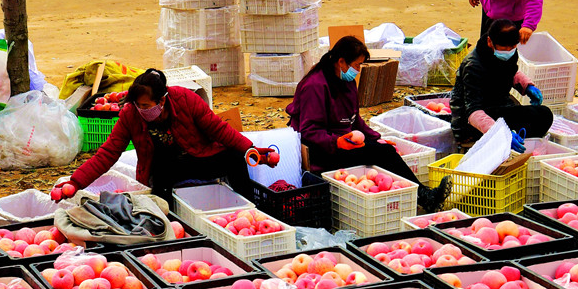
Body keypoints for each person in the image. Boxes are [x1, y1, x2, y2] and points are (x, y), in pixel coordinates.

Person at [287, 35, 448, 211]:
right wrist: (336, 142)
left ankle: (423, 195)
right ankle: (425, 197)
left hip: (345, 141)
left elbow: (355, 120)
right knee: (383, 153)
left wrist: (376, 138)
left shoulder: (346, 82)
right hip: (321, 151)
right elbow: (309, 131)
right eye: (357, 65)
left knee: (384, 149)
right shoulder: (315, 86)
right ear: (341, 62)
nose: (358, 70)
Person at [59, 68, 270, 202]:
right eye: (137, 104)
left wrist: (251, 149)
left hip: (197, 156)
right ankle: (169, 223)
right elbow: (107, 153)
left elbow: (219, 129)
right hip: (164, 169)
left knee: (234, 157)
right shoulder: (131, 114)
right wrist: (76, 182)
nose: (141, 109)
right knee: (161, 174)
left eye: (145, 105)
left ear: (162, 100)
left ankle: (251, 208)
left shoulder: (185, 99)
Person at [450, 19, 553, 153]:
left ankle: (516, 141)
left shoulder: (509, 53)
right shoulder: (473, 66)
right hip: (472, 122)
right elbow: (473, 112)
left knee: (543, 115)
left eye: (512, 47)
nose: (508, 51)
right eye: (504, 48)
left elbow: (509, 71)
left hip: (498, 107)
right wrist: (500, 133)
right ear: (490, 42)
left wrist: (527, 86)